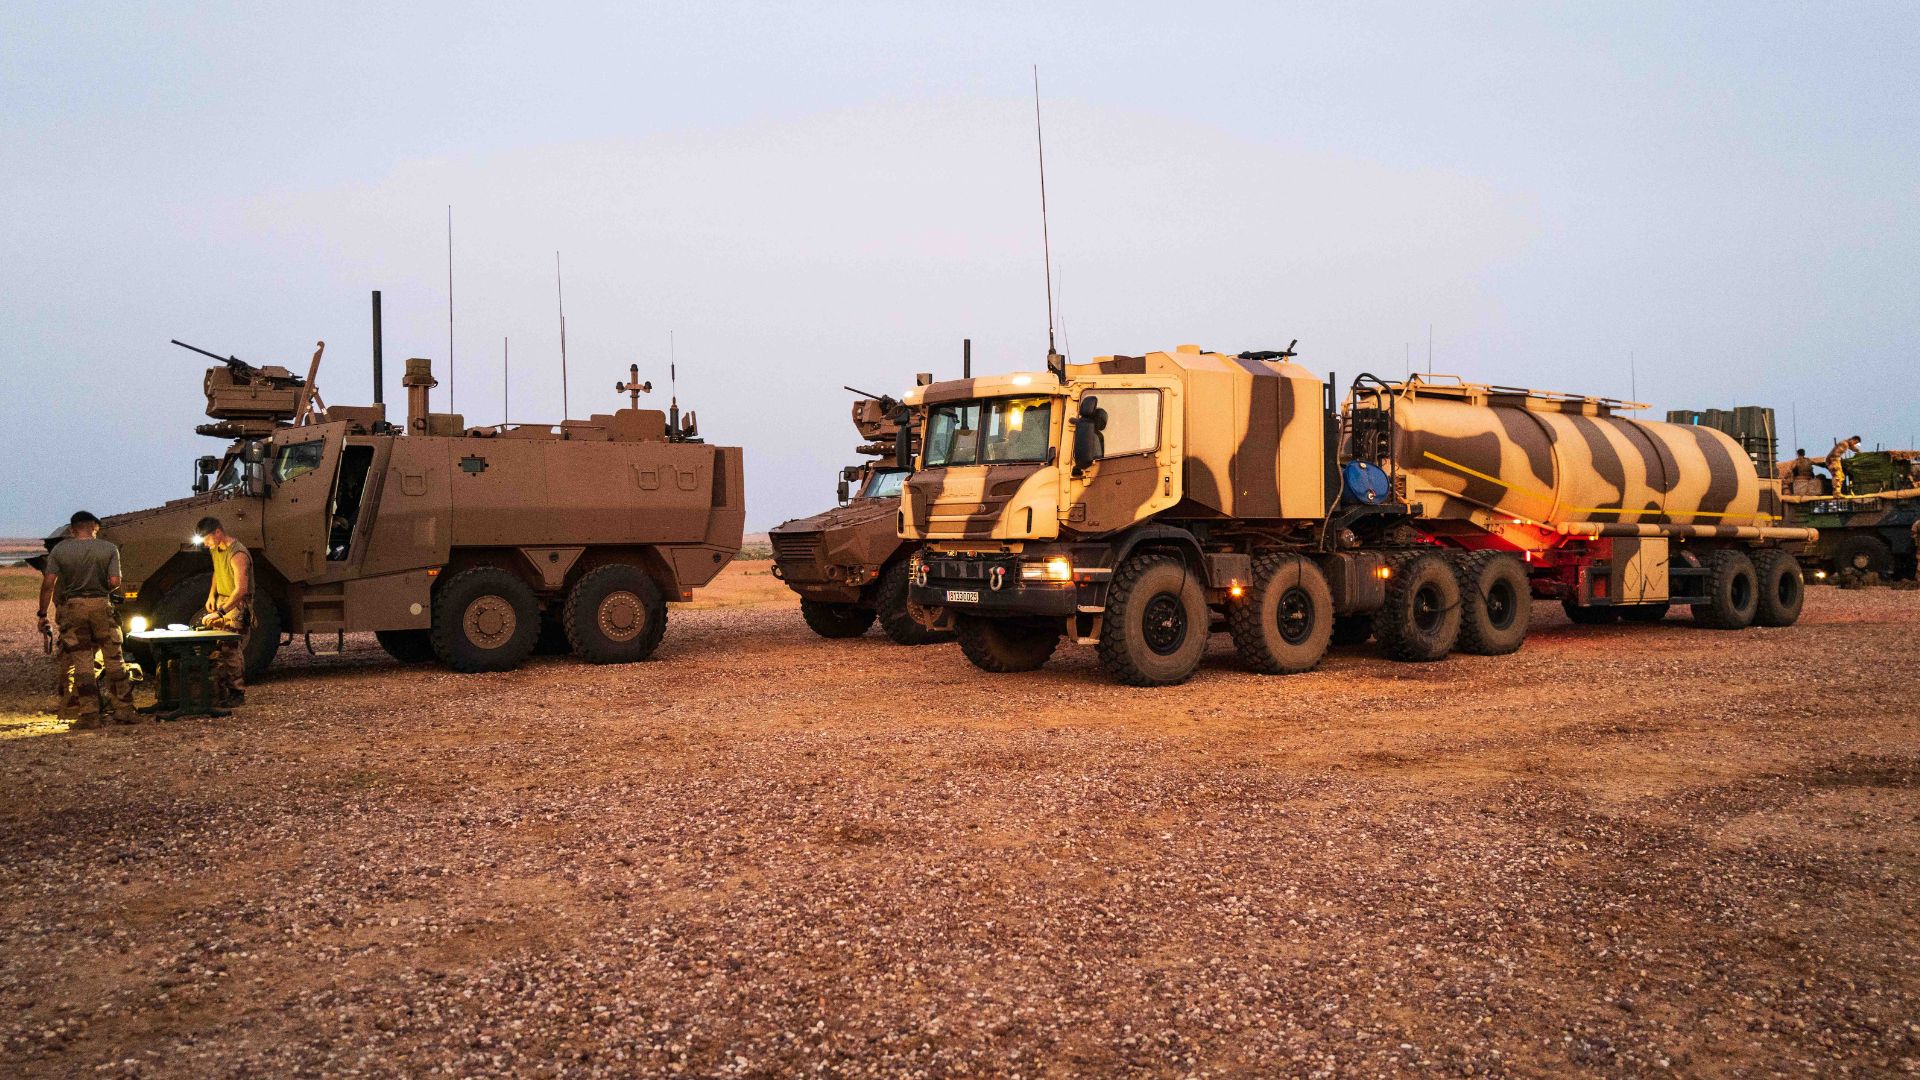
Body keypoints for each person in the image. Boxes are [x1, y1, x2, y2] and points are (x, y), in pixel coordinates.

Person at [37, 512, 139, 728]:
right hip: (101, 606)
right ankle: (124, 710)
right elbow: (114, 582)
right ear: (95, 528)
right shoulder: (109, 549)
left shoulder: (60, 550)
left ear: (72, 529)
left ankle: (90, 714)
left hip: (73, 608)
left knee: (83, 662)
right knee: (114, 658)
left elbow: (48, 584)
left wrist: (42, 614)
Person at [194, 517, 254, 706]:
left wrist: (220, 613)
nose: (205, 544)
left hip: (237, 603)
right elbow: (217, 572)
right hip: (222, 598)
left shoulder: (238, 554)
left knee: (230, 648)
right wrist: (211, 595)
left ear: (218, 532)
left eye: (207, 539)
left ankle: (237, 692)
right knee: (218, 647)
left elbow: (241, 590)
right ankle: (221, 690)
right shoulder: (216, 549)